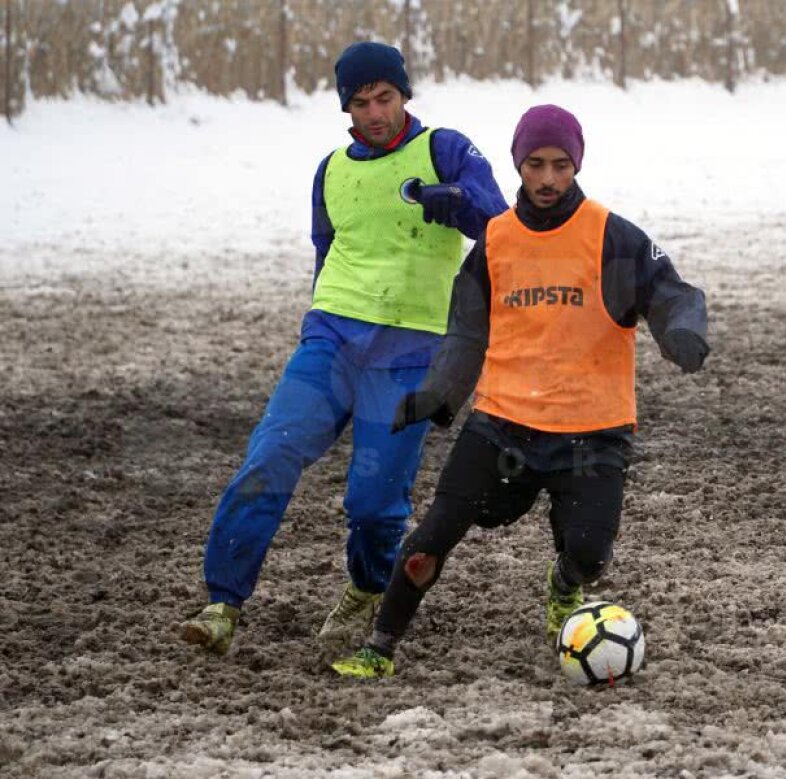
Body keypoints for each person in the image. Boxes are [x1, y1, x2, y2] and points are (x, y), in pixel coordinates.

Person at [329, 103, 710, 679]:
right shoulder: (496, 242)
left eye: (560, 164)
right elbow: (467, 331)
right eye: (536, 164)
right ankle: (379, 649)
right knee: (430, 540)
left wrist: (681, 331)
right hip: (503, 424)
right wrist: (439, 393)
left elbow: (672, 293)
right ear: (519, 165)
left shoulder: (613, 237)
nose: (549, 178)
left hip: (593, 430)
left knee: (589, 554)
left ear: (576, 165)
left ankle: (563, 583)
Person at [178, 41, 508, 656]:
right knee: (268, 456)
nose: (375, 112)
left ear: (404, 95)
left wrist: (457, 202)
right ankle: (222, 601)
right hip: (332, 338)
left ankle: (364, 588)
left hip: (412, 349)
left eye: (385, 98)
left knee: (375, 500)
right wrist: (320, 323)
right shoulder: (331, 170)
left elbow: (500, 221)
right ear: (346, 108)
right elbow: (326, 251)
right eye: (361, 102)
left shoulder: (445, 149)